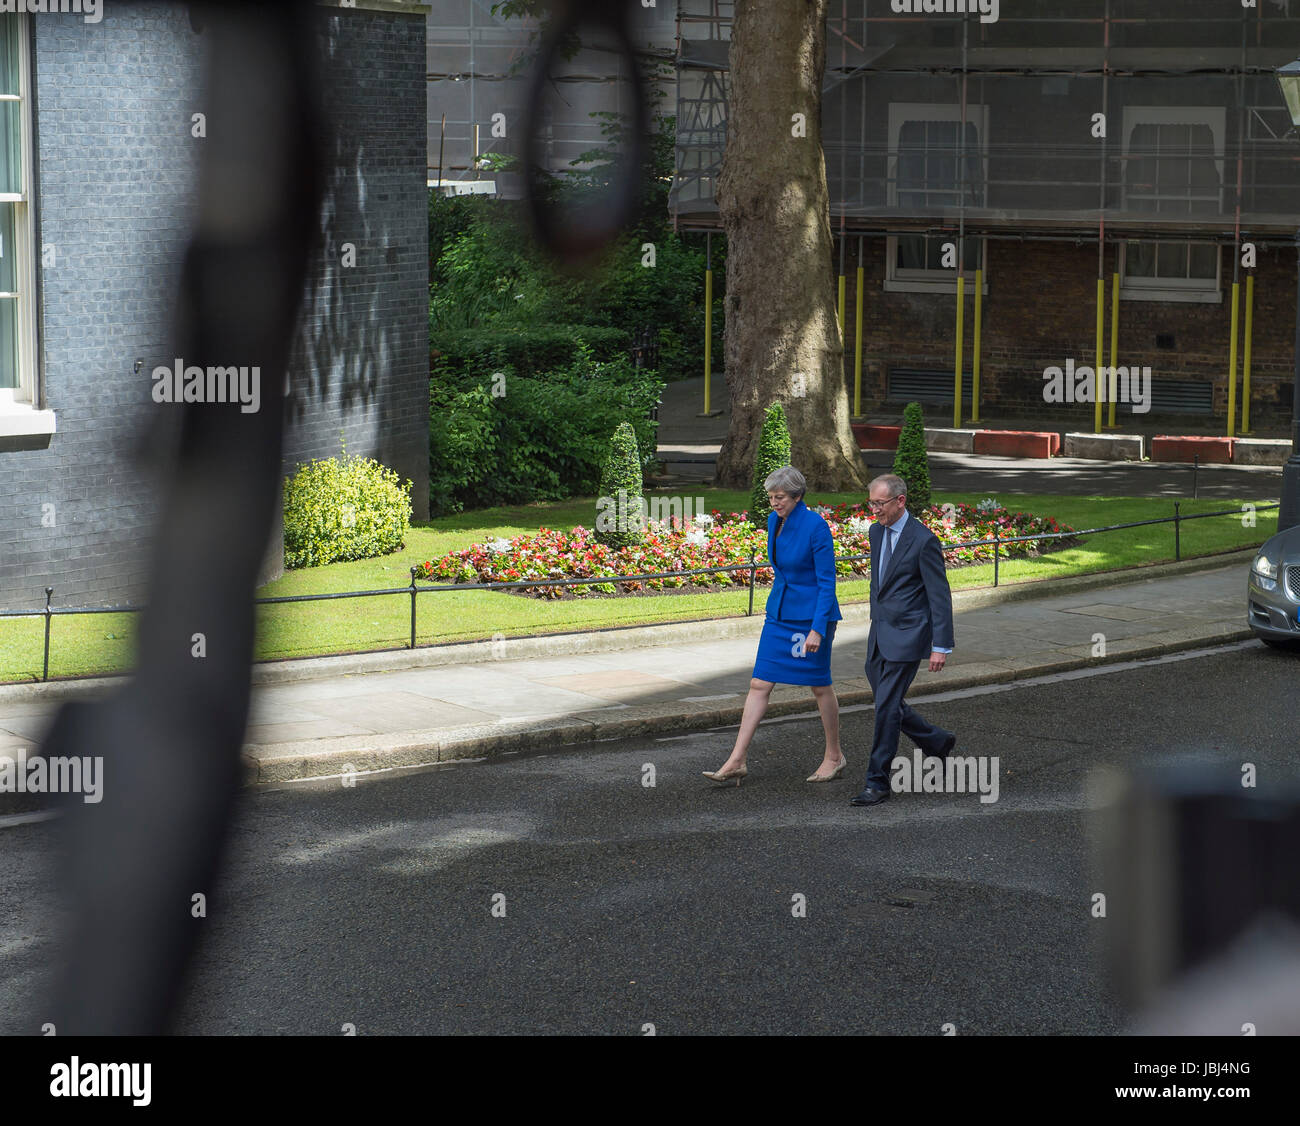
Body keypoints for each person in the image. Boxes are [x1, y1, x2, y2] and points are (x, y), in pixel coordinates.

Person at [703, 465, 845, 786]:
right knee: (759, 684)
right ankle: (737, 759)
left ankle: (834, 755)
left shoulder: (816, 527)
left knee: (820, 686)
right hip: (779, 615)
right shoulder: (773, 521)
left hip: (811, 619)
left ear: (797, 496)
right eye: (770, 497)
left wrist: (817, 628)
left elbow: (827, 582)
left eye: (779, 497)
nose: (774, 503)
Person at [850, 473, 956, 807]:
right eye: (871, 502)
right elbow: (880, 584)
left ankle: (877, 781)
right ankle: (937, 741)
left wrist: (940, 645)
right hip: (879, 634)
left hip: (909, 636)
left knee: (885, 708)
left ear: (900, 501)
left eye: (879, 503)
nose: (874, 510)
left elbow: (939, 596)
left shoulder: (923, 540)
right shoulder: (875, 532)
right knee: (889, 703)